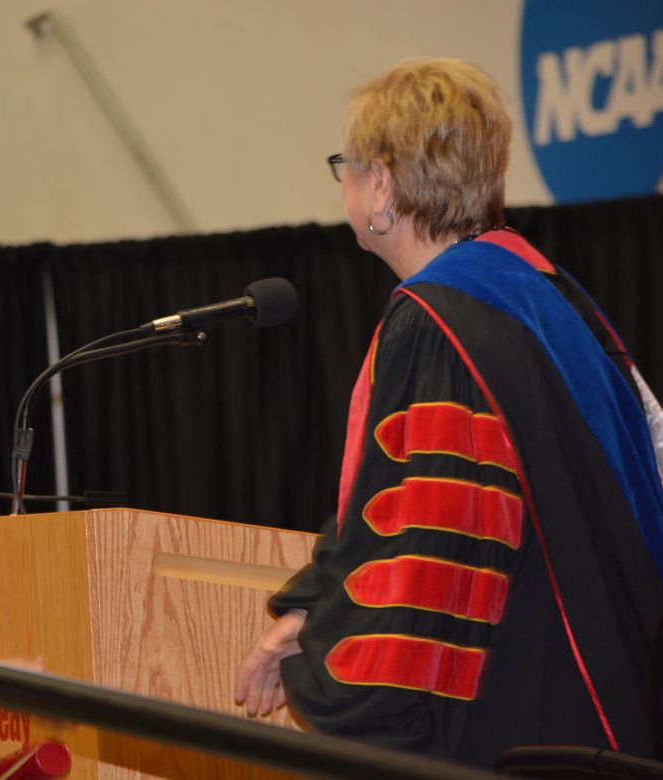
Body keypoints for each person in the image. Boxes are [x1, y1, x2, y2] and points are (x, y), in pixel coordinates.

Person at [235, 58, 663, 767]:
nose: (344, 186)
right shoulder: (544, 291)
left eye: (347, 167)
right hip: (613, 691)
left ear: (382, 185)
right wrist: (309, 608)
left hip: (524, 716)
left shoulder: (437, 320)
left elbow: (429, 540)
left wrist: (337, 671)